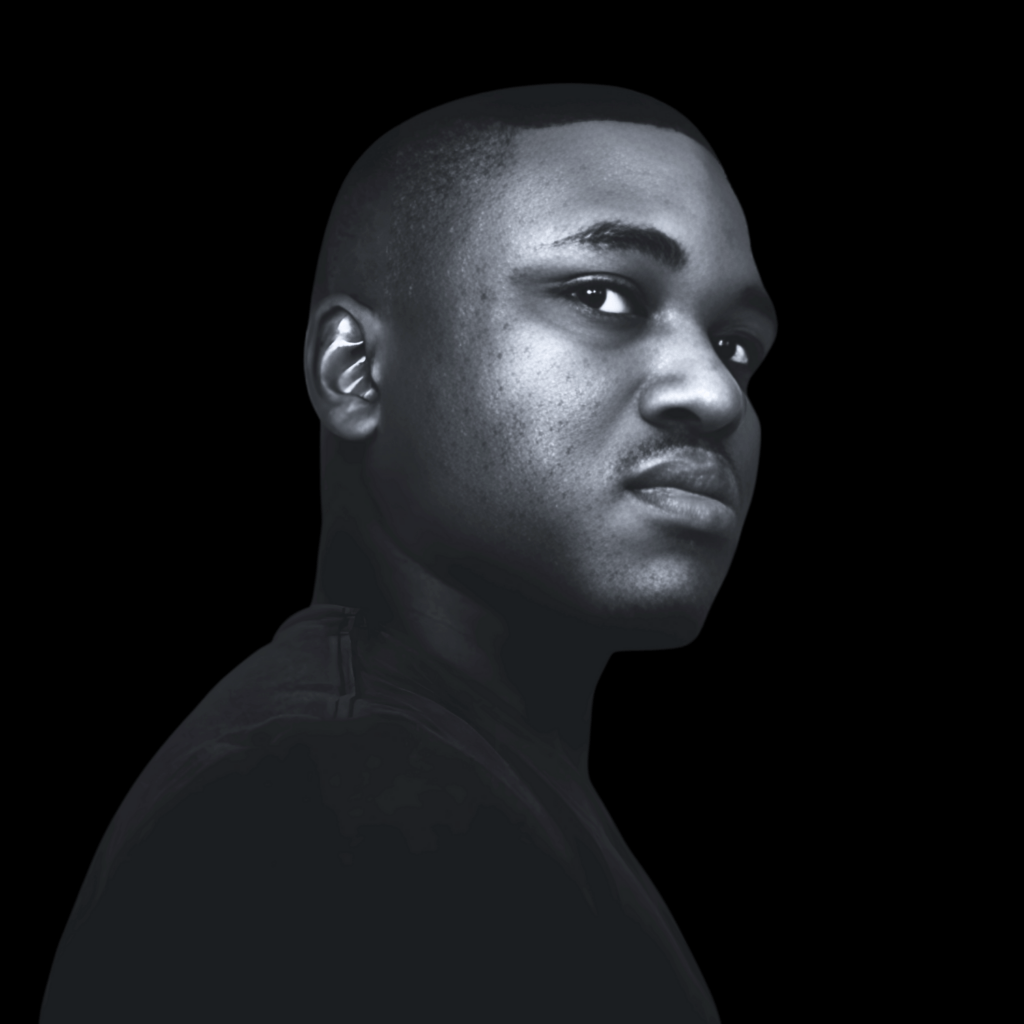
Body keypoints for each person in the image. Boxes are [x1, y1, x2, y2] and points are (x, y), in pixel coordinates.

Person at [40, 83, 778, 1022]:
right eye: (602, 295)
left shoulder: (445, 774)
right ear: (355, 371)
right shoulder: (330, 801)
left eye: (736, 345)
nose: (715, 392)